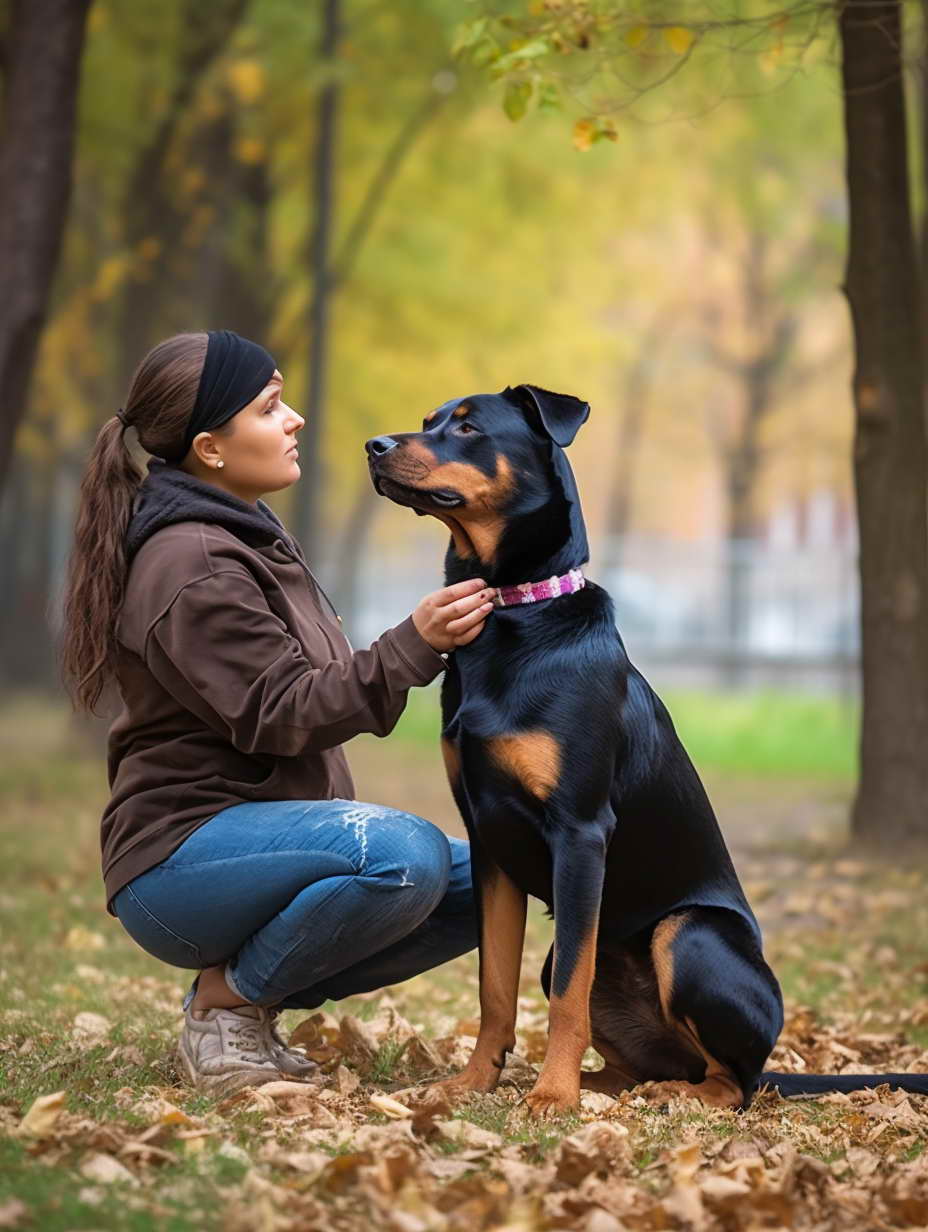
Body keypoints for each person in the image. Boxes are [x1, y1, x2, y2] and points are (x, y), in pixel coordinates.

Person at [59, 329, 492, 1097]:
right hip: (179, 863)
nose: (293, 419)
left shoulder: (246, 537)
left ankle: (250, 1000)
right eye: (269, 406)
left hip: (256, 844)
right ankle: (226, 1004)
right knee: (402, 856)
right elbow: (278, 709)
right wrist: (412, 646)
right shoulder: (194, 560)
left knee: (492, 876)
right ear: (211, 448)